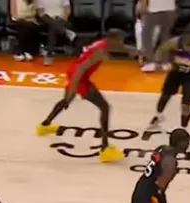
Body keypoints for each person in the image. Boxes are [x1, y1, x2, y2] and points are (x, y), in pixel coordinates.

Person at [36, 29, 132, 164]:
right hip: (79, 76)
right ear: (113, 39)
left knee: (66, 100)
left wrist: (133, 50)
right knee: (104, 108)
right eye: (120, 40)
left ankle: (44, 125)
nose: (122, 42)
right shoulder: (100, 51)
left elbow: (119, 49)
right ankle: (105, 150)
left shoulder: (102, 43)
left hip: (75, 72)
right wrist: (74, 88)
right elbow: (81, 68)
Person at [136, 0, 175, 72]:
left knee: (147, 34)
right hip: (170, 7)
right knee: (166, 34)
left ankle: (150, 62)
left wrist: (143, 5)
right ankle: (165, 62)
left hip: (153, 8)